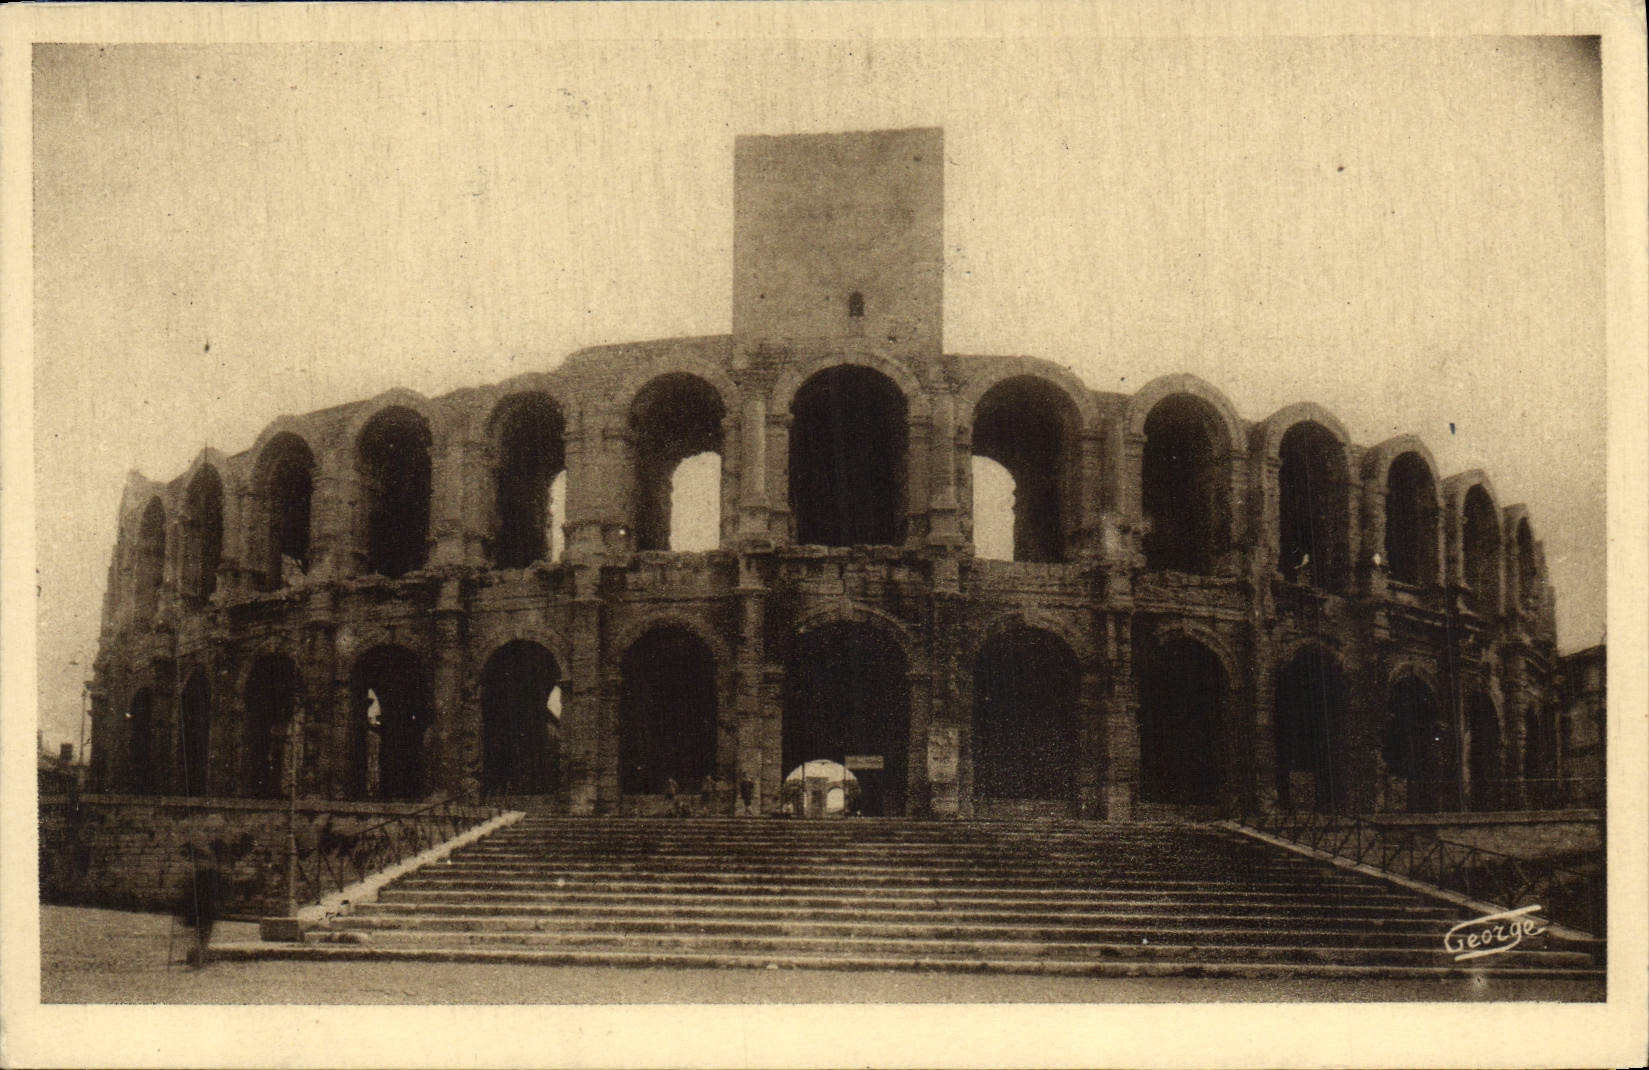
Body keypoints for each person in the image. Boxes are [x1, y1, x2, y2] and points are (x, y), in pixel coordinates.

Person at [176, 841, 225, 967]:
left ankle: (200, 957)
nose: (199, 863)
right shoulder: (198, 875)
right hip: (201, 906)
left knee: (203, 932)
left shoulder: (210, 874)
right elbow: (189, 892)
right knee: (201, 932)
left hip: (207, 906)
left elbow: (220, 891)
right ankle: (199, 957)